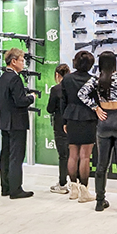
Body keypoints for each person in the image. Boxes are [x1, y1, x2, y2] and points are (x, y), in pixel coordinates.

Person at [79, 51, 117, 216]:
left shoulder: (97, 79)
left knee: (101, 165)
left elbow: (81, 94)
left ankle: (100, 202)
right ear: (115, 63)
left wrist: (96, 108)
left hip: (104, 121)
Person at [0, 47, 35, 199]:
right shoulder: (15, 78)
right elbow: (20, 101)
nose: (23, 63)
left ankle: (5, 187)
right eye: (22, 60)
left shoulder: (2, 78)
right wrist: (31, 97)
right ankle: (15, 189)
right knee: (16, 157)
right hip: (17, 122)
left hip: (5, 121)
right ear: (13, 61)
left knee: (5, 155)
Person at [61, 51, 98, 203]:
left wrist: (64, 121)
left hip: (71, 117)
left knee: (73, 155)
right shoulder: (93, 80)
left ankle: (73, 189)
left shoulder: (67, 78)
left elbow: (63, 100)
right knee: (85, 156)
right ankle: (84, 191)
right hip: (88, 117)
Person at [45, 63, 71, 194]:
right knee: (74, 155)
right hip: (73, 124)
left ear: (57, 75)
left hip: (60, 124)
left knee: (63, 156)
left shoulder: (56, 89)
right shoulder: (74, 88)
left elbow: (50, 109)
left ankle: (62, 183)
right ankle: (76, 184)